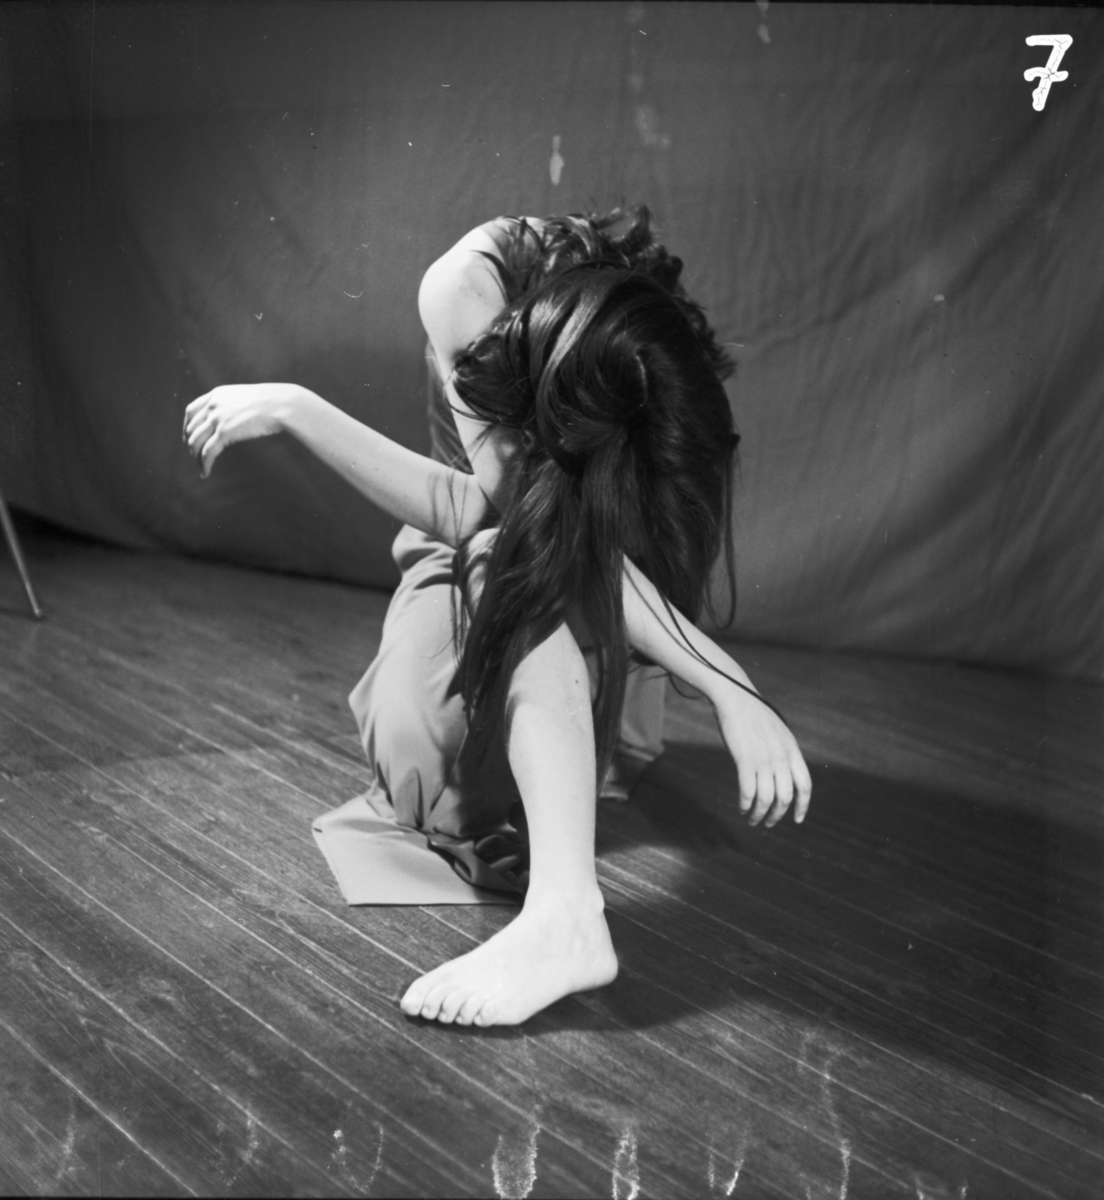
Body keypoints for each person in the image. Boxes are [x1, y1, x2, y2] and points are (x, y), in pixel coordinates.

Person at [183, 208, 812, 1028]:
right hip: (489, 557)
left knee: (534, 569)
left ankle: (564, 910)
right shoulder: (462, 292)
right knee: (500, 572)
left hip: (572, 571)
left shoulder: (620, 305)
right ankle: (565, 909)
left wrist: (725, 682)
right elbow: (502, 517)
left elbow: (595, 532)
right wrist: (301, 409)